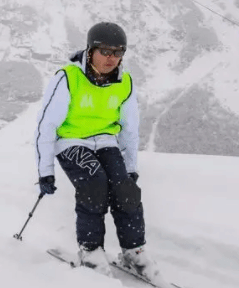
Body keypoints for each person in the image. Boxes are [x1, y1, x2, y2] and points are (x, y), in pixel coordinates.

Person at [35, 22, 165, 284]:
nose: (111, 58)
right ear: (91, 50)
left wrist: (131, 168)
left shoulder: (124, 82)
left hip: (105, 141)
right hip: (71, 141)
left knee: (125, 189)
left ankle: (133, 251)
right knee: (94, 184)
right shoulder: (68, 77)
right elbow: (46, 125)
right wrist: (45, 171)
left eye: (117, 52)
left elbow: (129, 130)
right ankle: (91, 251)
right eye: (105, 51)